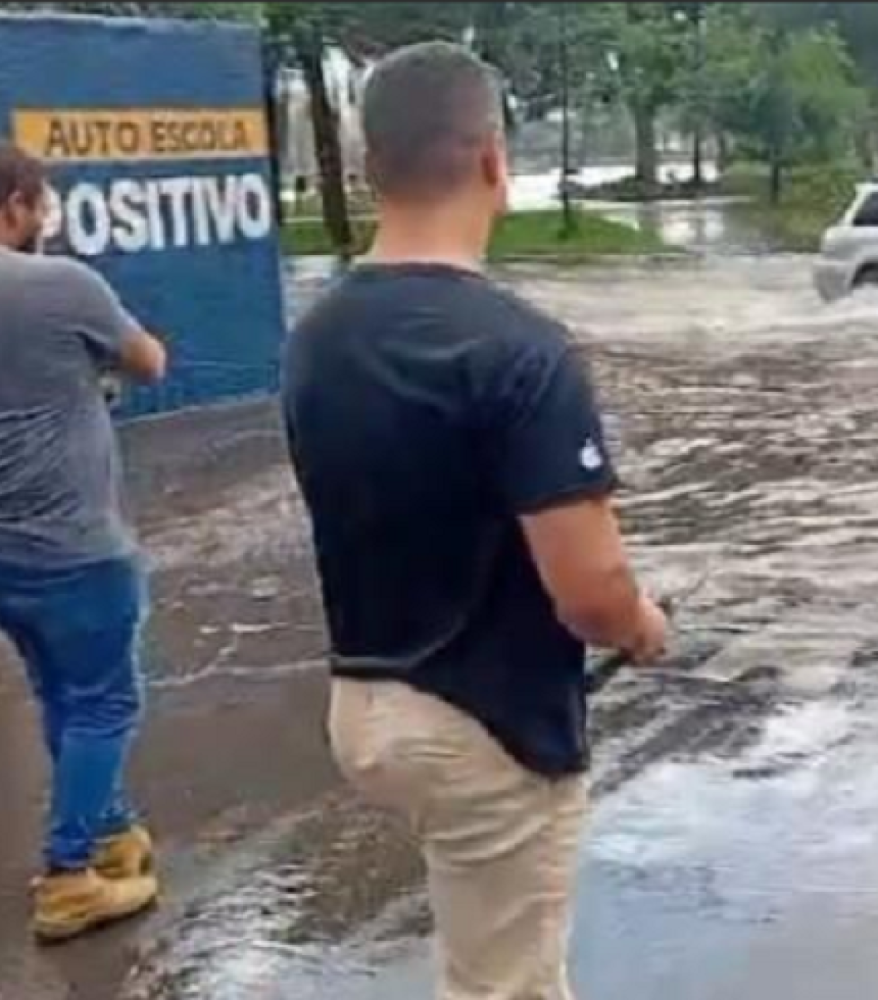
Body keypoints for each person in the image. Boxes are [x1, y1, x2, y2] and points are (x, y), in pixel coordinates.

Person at [283, 43, 668, 1000]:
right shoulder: (521, 351)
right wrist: (643, 626)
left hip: (366, 707)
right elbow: (589, 592)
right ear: (495, 162)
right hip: (484, 725)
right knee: (510, 987)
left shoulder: (317, 335)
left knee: (489, 967)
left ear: (372, 170)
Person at [0, 143, 167, 942]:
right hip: (75, 544)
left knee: (63, 693)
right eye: (43, 204)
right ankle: (68, 878)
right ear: (18, 204)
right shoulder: (60, 284)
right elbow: (149, 362)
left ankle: (110, 830)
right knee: (105, 700)